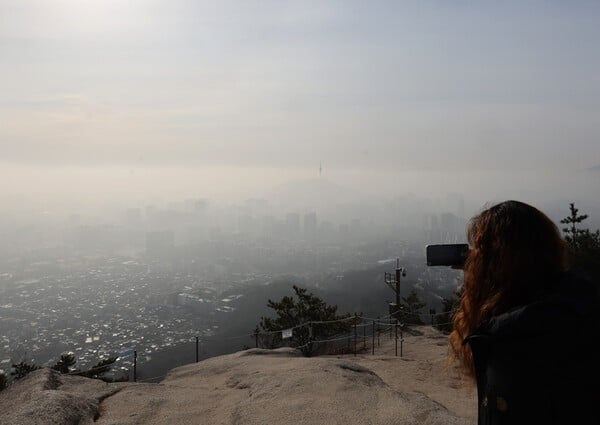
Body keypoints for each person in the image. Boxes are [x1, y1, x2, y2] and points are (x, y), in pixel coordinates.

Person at [449, 200, 600, 425]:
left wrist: (479, 284)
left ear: (495, 262)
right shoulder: (581, 305)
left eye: (479, 252)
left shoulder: (513, 338)